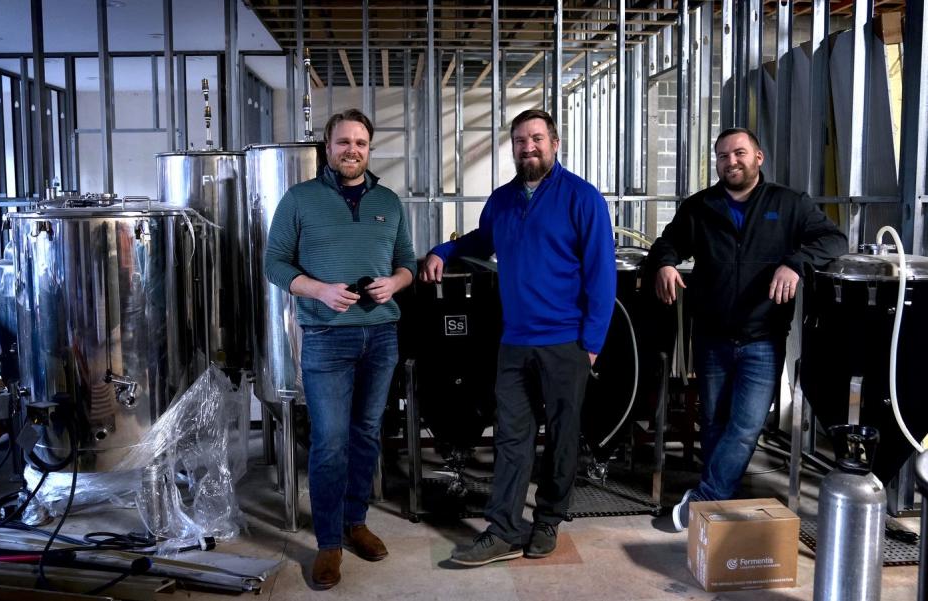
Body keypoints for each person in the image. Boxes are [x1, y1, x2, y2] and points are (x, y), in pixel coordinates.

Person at [421, 109, 616, 566]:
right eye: (519, 141)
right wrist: (442, 250)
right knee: (512, 435)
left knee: (563, 437)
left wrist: (591, 344)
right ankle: (504, 529)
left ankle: (547, 520)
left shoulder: (582, 199)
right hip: (515, 344)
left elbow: (602, 276)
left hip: (566, 343)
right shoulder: (503, 199)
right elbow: (481, 239)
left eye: (536, 139)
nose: (527, 148)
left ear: (555, 143)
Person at [647, 127, 847, 531]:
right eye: (722, 156)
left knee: (746, 425)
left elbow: (834, 239)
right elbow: (666, 244)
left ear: (759, 157)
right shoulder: (700, 207)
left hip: (762, 338)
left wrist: (796, 263)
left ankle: (704, 499)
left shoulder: (788, 204)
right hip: (711, 336)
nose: (730, 161)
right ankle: (716, 501)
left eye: (739, 153)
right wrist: (666, 263)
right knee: (717, 423)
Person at [264, 108, 416, 589]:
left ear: (369, 149)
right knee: (330, 441)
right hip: (327, 337)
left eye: (361, 143)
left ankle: (355, 522)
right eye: (343, 142)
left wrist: (395, 282)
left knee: (367, 434)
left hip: (382, 336)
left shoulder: (389, 202)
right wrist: (320, 291)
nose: (352, 150)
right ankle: (329, 543)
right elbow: (274, 263)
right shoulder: (300, 199)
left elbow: (407, 262)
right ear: (327, 149)